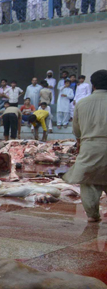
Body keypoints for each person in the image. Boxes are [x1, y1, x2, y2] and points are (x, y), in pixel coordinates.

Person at [63, 69, 107, 223]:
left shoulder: (82, 103)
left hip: (90, 146)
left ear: (93, 85)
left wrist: (81, 141)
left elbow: (76, 129)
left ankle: (93, 215)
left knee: (88, 181)